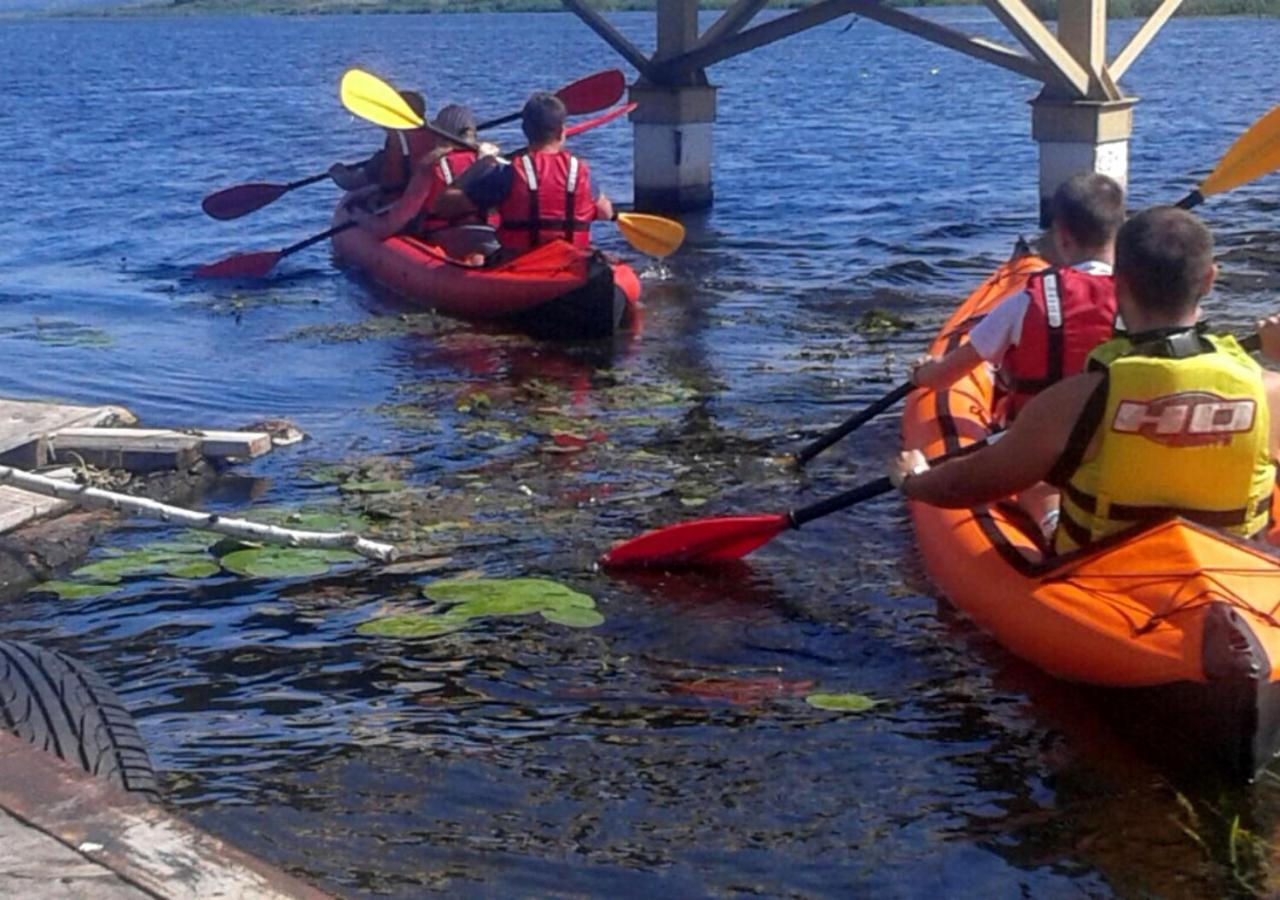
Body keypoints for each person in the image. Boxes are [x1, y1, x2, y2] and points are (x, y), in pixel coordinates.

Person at [891, 206, 1280, 555]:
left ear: (1119, 283)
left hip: (1102, 570)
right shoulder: (1269, 391)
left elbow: (970, 485)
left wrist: (916, 481)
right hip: (1233, 571)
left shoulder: (1076, 400)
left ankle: (1046, 522)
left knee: (1041, 485)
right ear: (1209, 279)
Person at [910, 172, 1126, 423]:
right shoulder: (1142, 302)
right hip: (1113, 443)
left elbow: (943, 377)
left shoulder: (1026, 302)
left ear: (1063, 237)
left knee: (911, 463)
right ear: (1119, 233)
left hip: (1035, 450)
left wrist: (921, 374)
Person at [435, 91, 613, 257]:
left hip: (520, 263)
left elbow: (445, 205)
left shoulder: (506, 173)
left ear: (525, 131)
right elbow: (606, 213)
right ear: (561, 131)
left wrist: (480, 165)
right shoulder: (582, 172)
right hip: (570, 262)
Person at [350, 104, 500, 259]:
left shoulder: (430, 167)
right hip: (488, 235)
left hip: (443, 237)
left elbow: (391, 224)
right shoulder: (490, 162)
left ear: (440, 133)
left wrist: (362, 219)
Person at [330, 90, 435, 200]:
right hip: (422, 196)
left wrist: (337, 172)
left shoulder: (387, 156)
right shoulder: (437, 138)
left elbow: (351, 183)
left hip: (396, 197)